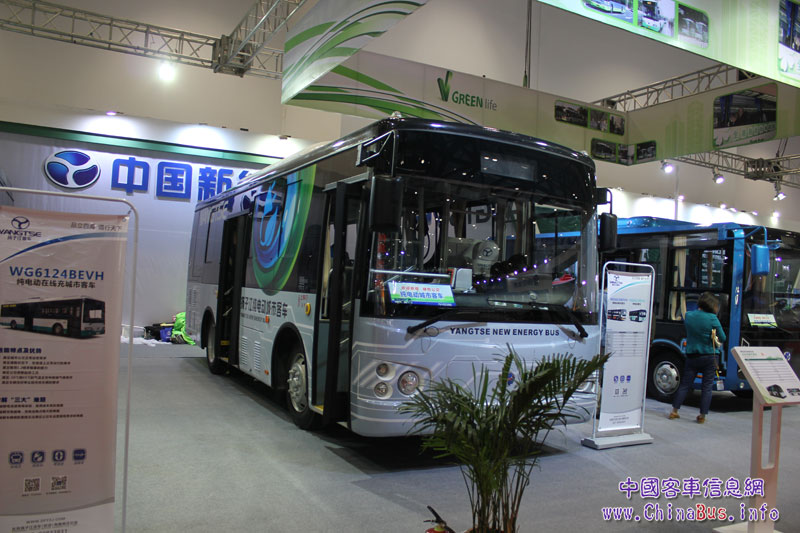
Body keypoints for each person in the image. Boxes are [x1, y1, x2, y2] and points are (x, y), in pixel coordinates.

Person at [668, 292, 726, 424]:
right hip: (709, 356)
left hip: (692, 355)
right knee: (707, 387)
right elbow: (723, 337)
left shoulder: (689, 315)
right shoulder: (712, 318)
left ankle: (674, 411)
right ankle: (702, 416)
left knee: (685, 385)